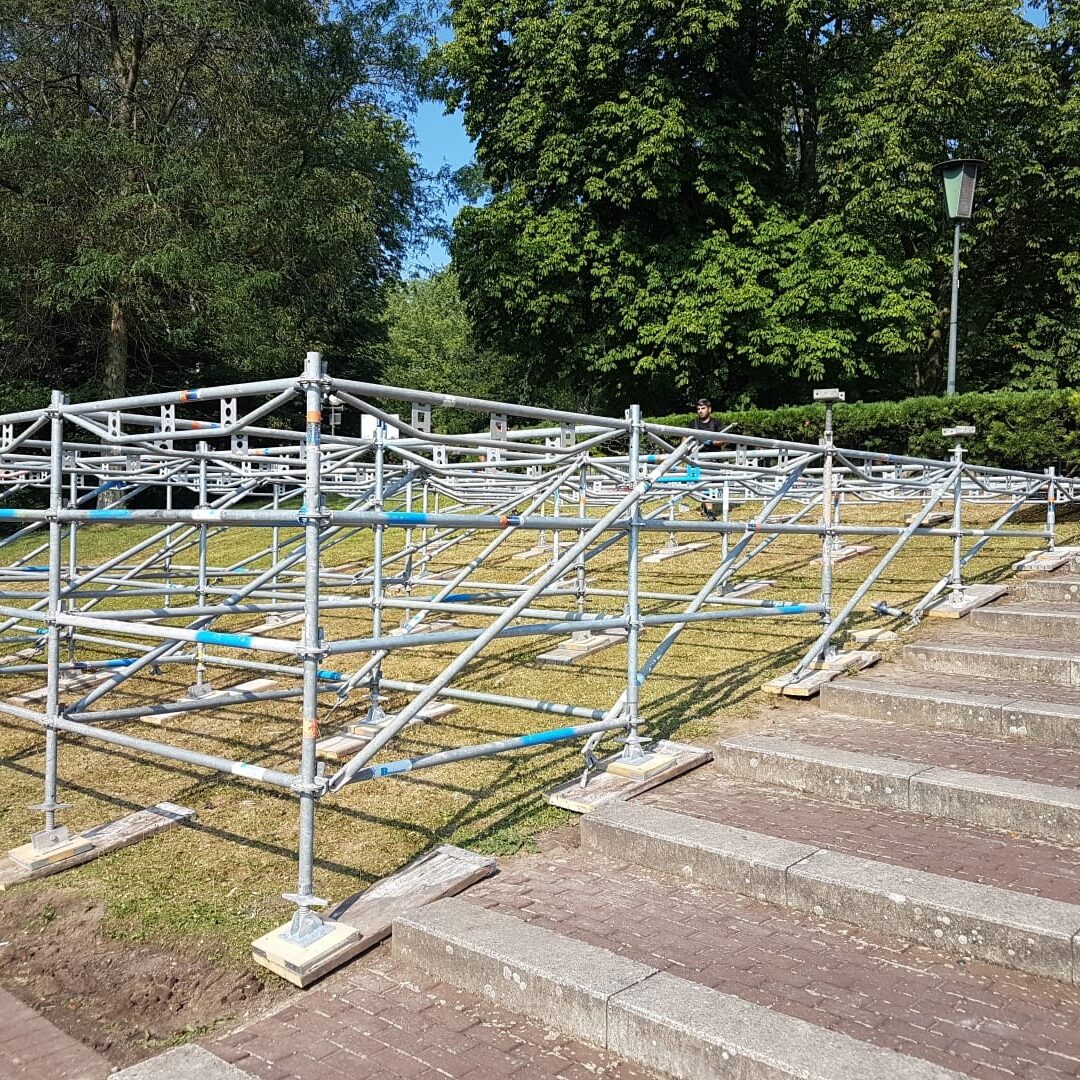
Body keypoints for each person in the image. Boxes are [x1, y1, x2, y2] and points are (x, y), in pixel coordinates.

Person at [687, 397, 723, 521]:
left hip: (713, 459)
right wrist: (684, 451)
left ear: (709, 409)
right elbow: (685, 438)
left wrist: (712, 442)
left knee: (712, 484)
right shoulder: (693, 424)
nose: (700, 411)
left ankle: (707, 507)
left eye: (703, 408)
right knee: (704, 483)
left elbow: (724, 439)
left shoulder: (716, 423)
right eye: (698, 409)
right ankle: (710, 511)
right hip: (698, 459)